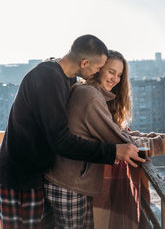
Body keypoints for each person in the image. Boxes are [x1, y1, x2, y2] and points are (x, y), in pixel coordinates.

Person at [0, 35, 144, 229]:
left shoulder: (65, 78)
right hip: (19, 177)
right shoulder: (48, 78)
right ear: (84, 63)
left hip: (36, 175)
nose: (99, 72)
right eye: (100, 68)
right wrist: (113, 152)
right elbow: (61, 141)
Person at [44, 50, 165, 229]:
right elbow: (116, 139)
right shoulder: (89, 96)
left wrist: (154, 138)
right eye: (111, 72)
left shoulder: (92, 93)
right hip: (69, 185)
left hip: (72, 181)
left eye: (119, 74)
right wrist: (158, 145)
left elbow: (117, 131)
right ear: (98, 69)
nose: (115, 79)